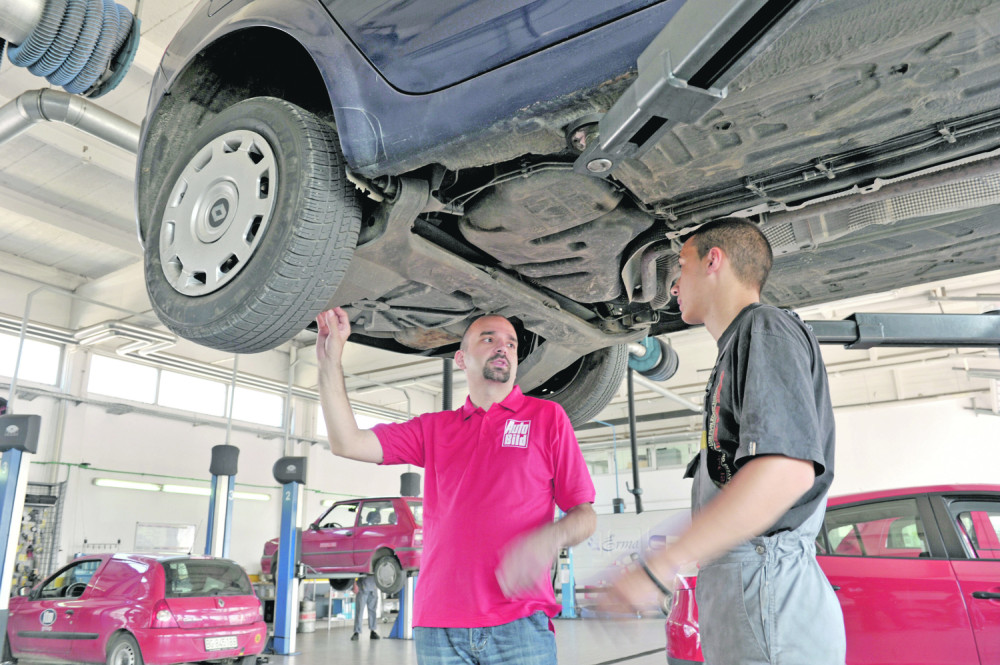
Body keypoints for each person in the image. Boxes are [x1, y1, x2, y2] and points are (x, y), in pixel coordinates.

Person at [609, 219, 846, 665]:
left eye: (680, 266)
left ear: (713, 260)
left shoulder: (765, 328)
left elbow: (785, 471)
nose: (673, 285)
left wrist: (662, 564)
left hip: (769, 595)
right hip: (751, 593)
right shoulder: (739, 345)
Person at [316, 307, 597, 665]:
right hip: (439, 628)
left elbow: (584, 514)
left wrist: (549, 538)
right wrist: (330, 363)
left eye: (510, 343)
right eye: (488, 338)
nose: (503, 347)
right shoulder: (434, 428)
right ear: (461, 359)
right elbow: (347, 442)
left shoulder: (547, 419)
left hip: (519, 624)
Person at [351, 574, 380, 641]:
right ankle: (356, 632)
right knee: (359, 611)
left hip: (373, 588)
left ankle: (373, 631)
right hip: (362, 588)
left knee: (373, 611)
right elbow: (354, 572)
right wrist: (354, 584)